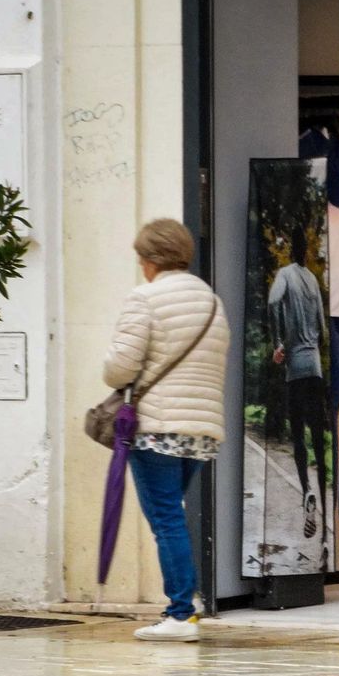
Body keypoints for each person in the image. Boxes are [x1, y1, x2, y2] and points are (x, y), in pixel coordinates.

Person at [103, 219, 231, 642]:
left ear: (150, 259)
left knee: (166, 520)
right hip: (201, 431)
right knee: (172, 515)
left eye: (141, 258)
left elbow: (119, 368)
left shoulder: (145, 298)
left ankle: (180, 613)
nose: (141, 267)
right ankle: (184, 607)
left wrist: (112, 363)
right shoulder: (211, 302)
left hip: (157, 428)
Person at [268, 228, 330, 539]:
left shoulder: (285, 275)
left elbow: (273, 303)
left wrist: (278, 343)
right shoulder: (313, 281)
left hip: (294, 369)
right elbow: (323, 329)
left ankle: (307, 491)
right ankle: (324, 514)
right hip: (315, 367)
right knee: (318, 438)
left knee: (298, 437)